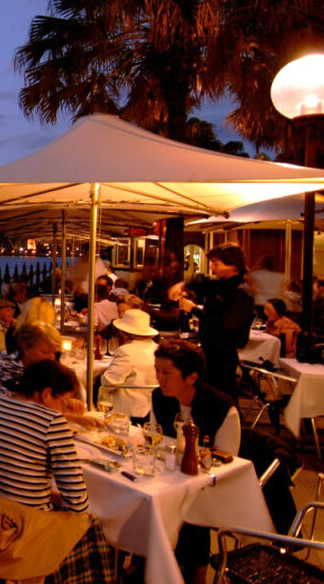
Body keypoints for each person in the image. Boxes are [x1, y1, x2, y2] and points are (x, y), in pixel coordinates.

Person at [0, 360, 115, 583]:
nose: (63, 410)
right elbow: (77, 503)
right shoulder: (52, 423)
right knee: (91, 526)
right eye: (63, 403)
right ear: (46, 394)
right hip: (25, 532)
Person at [149, 338, 240, 584]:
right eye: (157, 371)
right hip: (169, 477)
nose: (160, 379)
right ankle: (149, 566)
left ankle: (192, 573)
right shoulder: (160, 398)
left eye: (166, 373)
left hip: (211, 487)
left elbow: (226, 465)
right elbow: (154, 439)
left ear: (191, 377)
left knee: (188, 508)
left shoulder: (222, 407)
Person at [171, 242, 254, 401]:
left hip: (223, 354)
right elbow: (200, 283)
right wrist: (182, 286)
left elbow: (224, 325)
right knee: (208, 395)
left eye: (216, 264)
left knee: (223, 396)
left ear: (233, 265)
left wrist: (193, 309)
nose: (212, 268)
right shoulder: (220, 284)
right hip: (210, 350)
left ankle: (232, 424)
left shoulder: (241, 292)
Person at [100, 309, 159, 422]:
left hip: (128, 411)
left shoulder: (126, 351)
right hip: (153, 409)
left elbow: (109, 381)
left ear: (124, 332)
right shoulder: (158, 348)